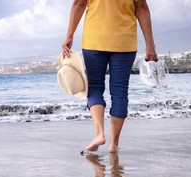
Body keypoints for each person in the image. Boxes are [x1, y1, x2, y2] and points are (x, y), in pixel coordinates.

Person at [61, 0, 158, 153]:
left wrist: (69, 35)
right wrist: (150, 44)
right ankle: (113, 144)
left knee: (94, 89)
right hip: (124, 42)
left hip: (94, 40)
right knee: (119, 92)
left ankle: (99, 134)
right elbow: (141, 7)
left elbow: (79, 4)